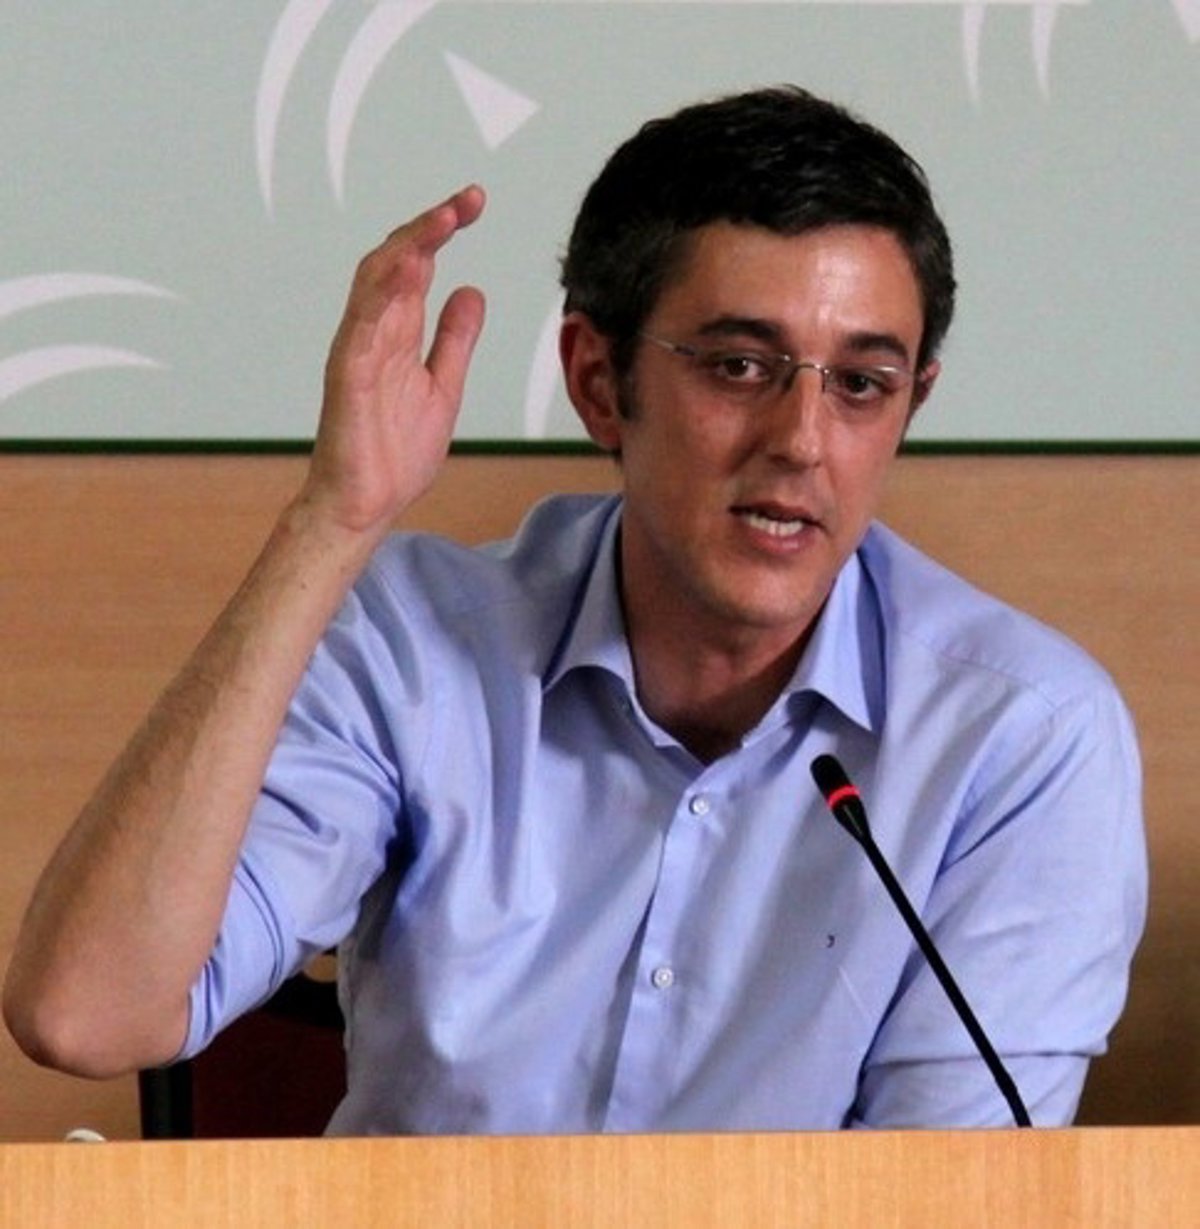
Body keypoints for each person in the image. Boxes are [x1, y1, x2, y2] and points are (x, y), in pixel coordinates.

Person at [4, 86, 1145, 1131]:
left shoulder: (1019, 737)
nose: (803, 442)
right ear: (600, 382)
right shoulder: (417, 644)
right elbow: (84, 1014)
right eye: (740, 366)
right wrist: (332, 522)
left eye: (860, 383)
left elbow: (953, 1199)